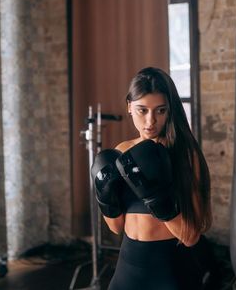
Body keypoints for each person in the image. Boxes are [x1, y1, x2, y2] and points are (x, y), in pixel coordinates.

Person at [91, 67, 213, 290]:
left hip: (170, 270)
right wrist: (105, 198)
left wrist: (154, 195)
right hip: (128, 266)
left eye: (160, 110)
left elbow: (191, 237)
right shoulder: (122, 152)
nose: (150, 121)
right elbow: (117, 228)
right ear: (129, 106)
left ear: (170, 110)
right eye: (142, 110)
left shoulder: (184, 154)